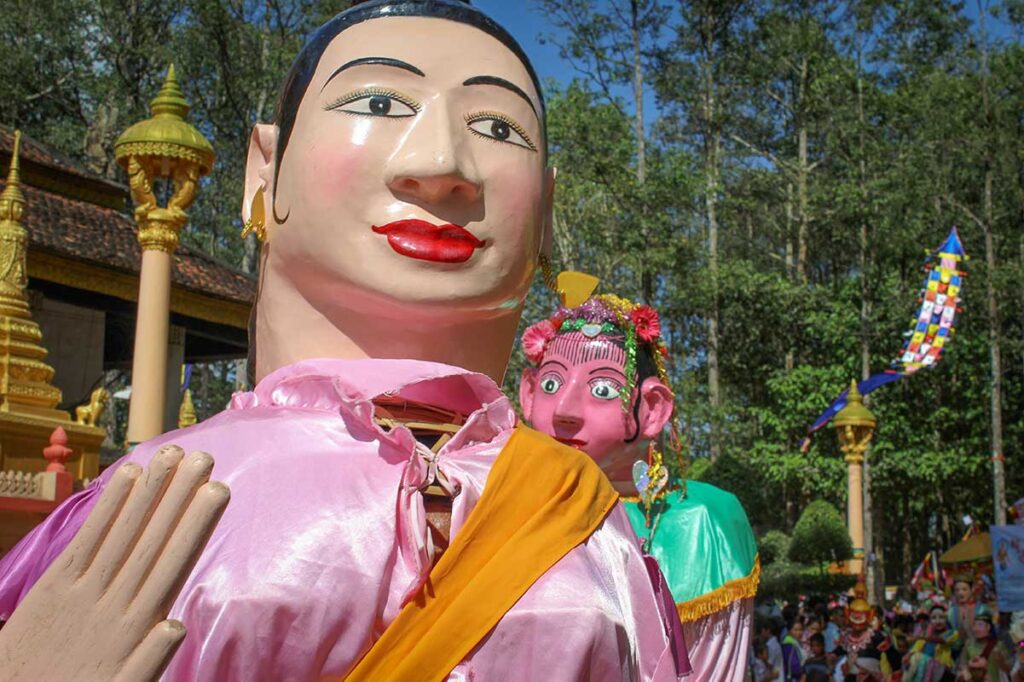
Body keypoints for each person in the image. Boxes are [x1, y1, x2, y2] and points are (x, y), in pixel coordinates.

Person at [0, 2, 686, 680]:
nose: (441, 162)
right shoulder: (161, 495)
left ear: (545, 208)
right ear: (262, 172)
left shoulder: (589, 516)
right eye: (380, 103)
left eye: (496, 126)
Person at [519, 289, 759, 680]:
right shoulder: (494, 502)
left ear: (652, 410)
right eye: (550, 384)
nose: (563, 410)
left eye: (602, 390)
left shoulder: (701, 521)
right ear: (527, 395)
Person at [906, 604, 959, 682]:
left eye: (941, 617)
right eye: (934, 618)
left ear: (946, 619)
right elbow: (914, 650)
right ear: (930, 621)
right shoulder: (924, 636)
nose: (938, 621)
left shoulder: (952, 633)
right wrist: (907, 656)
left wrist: (918, 637)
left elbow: (942, 640)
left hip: (944, 672)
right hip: (925, 673)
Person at [956, 607, 1011, 682]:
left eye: (980, 625)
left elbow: (1009, 669)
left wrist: (1000, 660)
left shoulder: (998, 645)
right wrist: (966, 672)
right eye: (974, 625)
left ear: (988, 627)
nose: (976, 629)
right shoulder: (969, 644)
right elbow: (962, 663)